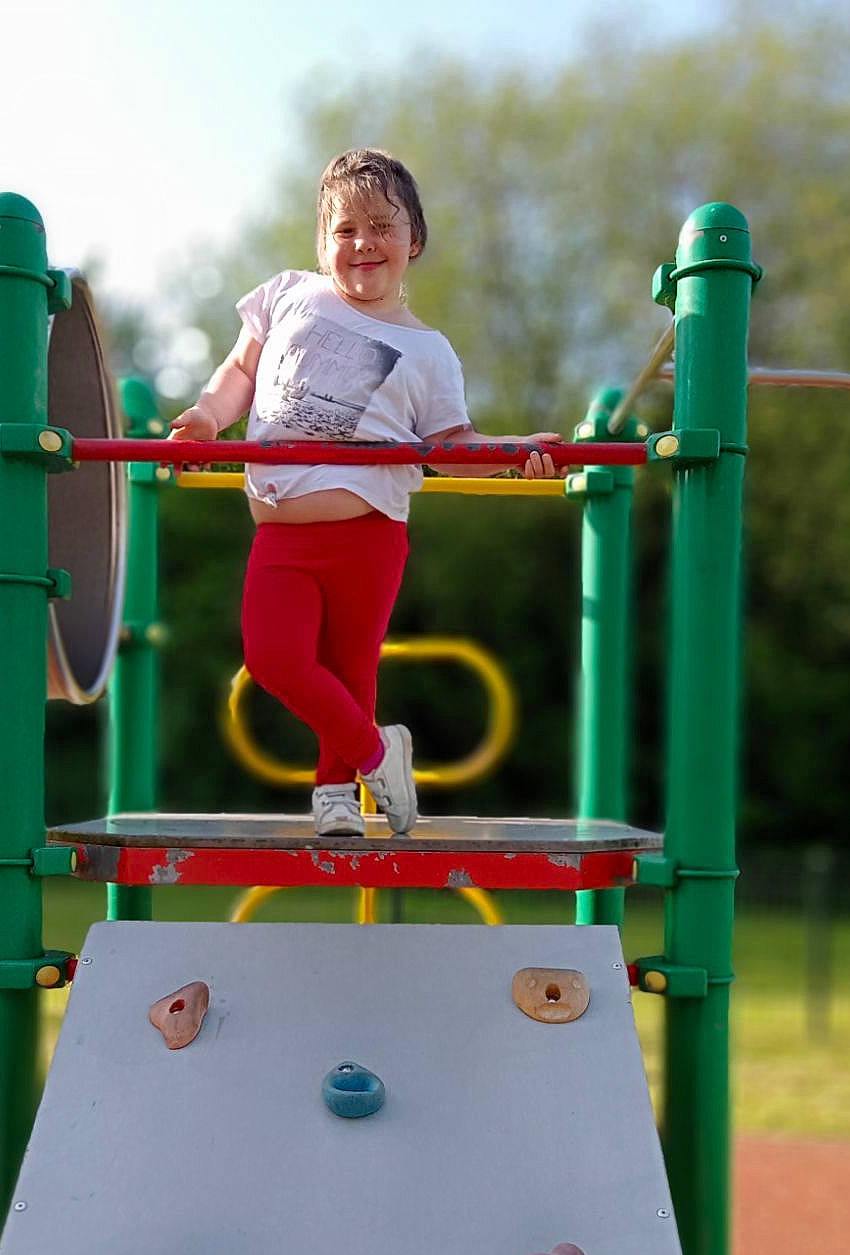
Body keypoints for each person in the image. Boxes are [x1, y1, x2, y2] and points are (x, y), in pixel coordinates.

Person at [169, 148, 564, 838]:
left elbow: (452, 447)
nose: (363, 243)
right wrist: (206, 417)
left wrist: (511, 454)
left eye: (382, 225)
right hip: (280, 534)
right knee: (274, 660)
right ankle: (380, 752)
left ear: (414, 239)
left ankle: (336, 798)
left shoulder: (428, 351)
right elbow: (238, 370)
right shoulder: (289, 295)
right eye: (345, 229)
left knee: (350, 673)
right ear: (323, 246)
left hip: (367, 534)